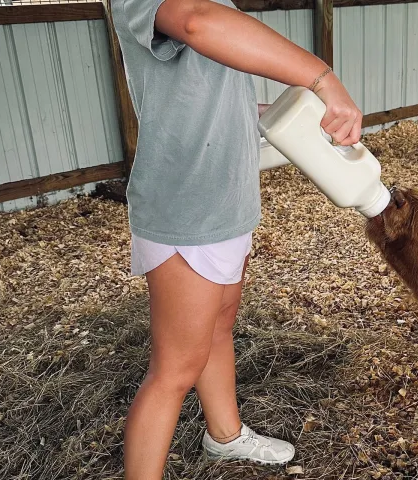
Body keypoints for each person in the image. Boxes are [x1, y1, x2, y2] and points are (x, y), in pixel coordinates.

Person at [109, 0, 363, 477]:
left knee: (218, 327)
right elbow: (196, 23)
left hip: (225, 203)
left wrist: (275, 114)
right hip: (188, 208)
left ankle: (225, 436)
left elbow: (202, 93)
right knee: (173, 371)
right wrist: (321, 78)